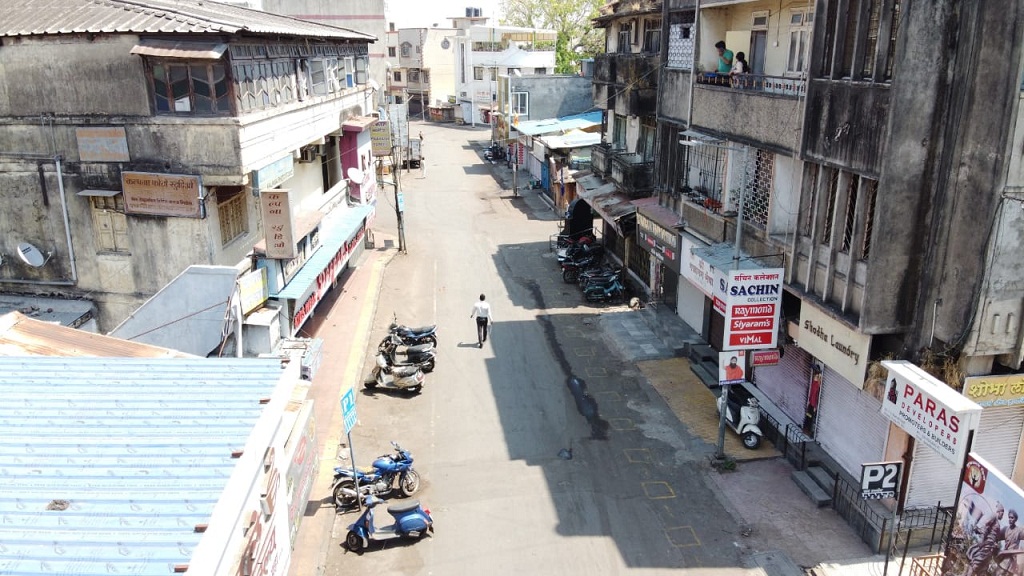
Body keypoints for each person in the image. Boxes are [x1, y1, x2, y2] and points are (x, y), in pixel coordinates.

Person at [965, 501, 1006, 576]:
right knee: (977, 563)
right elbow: (986, 526)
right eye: (1002, 513)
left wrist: (995, 544)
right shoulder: (993, 516)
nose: (1002, 516)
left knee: (983, 567)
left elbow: (995, 536)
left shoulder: (997, 522)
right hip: (987, 544)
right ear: (999, 512)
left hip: (991, 547)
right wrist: (982, 539)